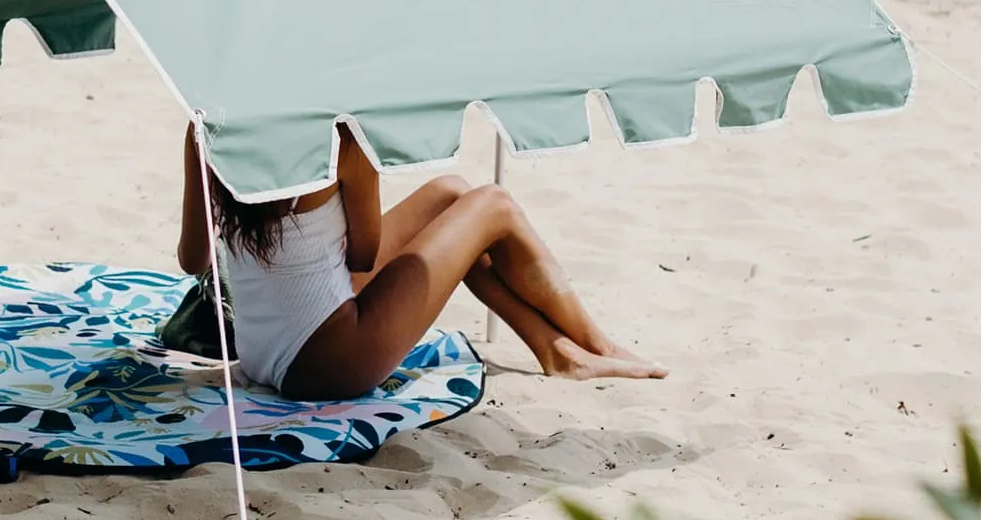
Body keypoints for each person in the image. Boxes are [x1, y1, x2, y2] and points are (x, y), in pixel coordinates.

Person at [177, 123, 665, 398]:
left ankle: (556, 351)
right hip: (327, 365)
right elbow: (364, 254)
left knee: (452, 195)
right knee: (492, 204)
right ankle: (599, 345)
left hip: (258, 351)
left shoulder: (206, 130)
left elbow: (192, 258)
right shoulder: (339, 139)